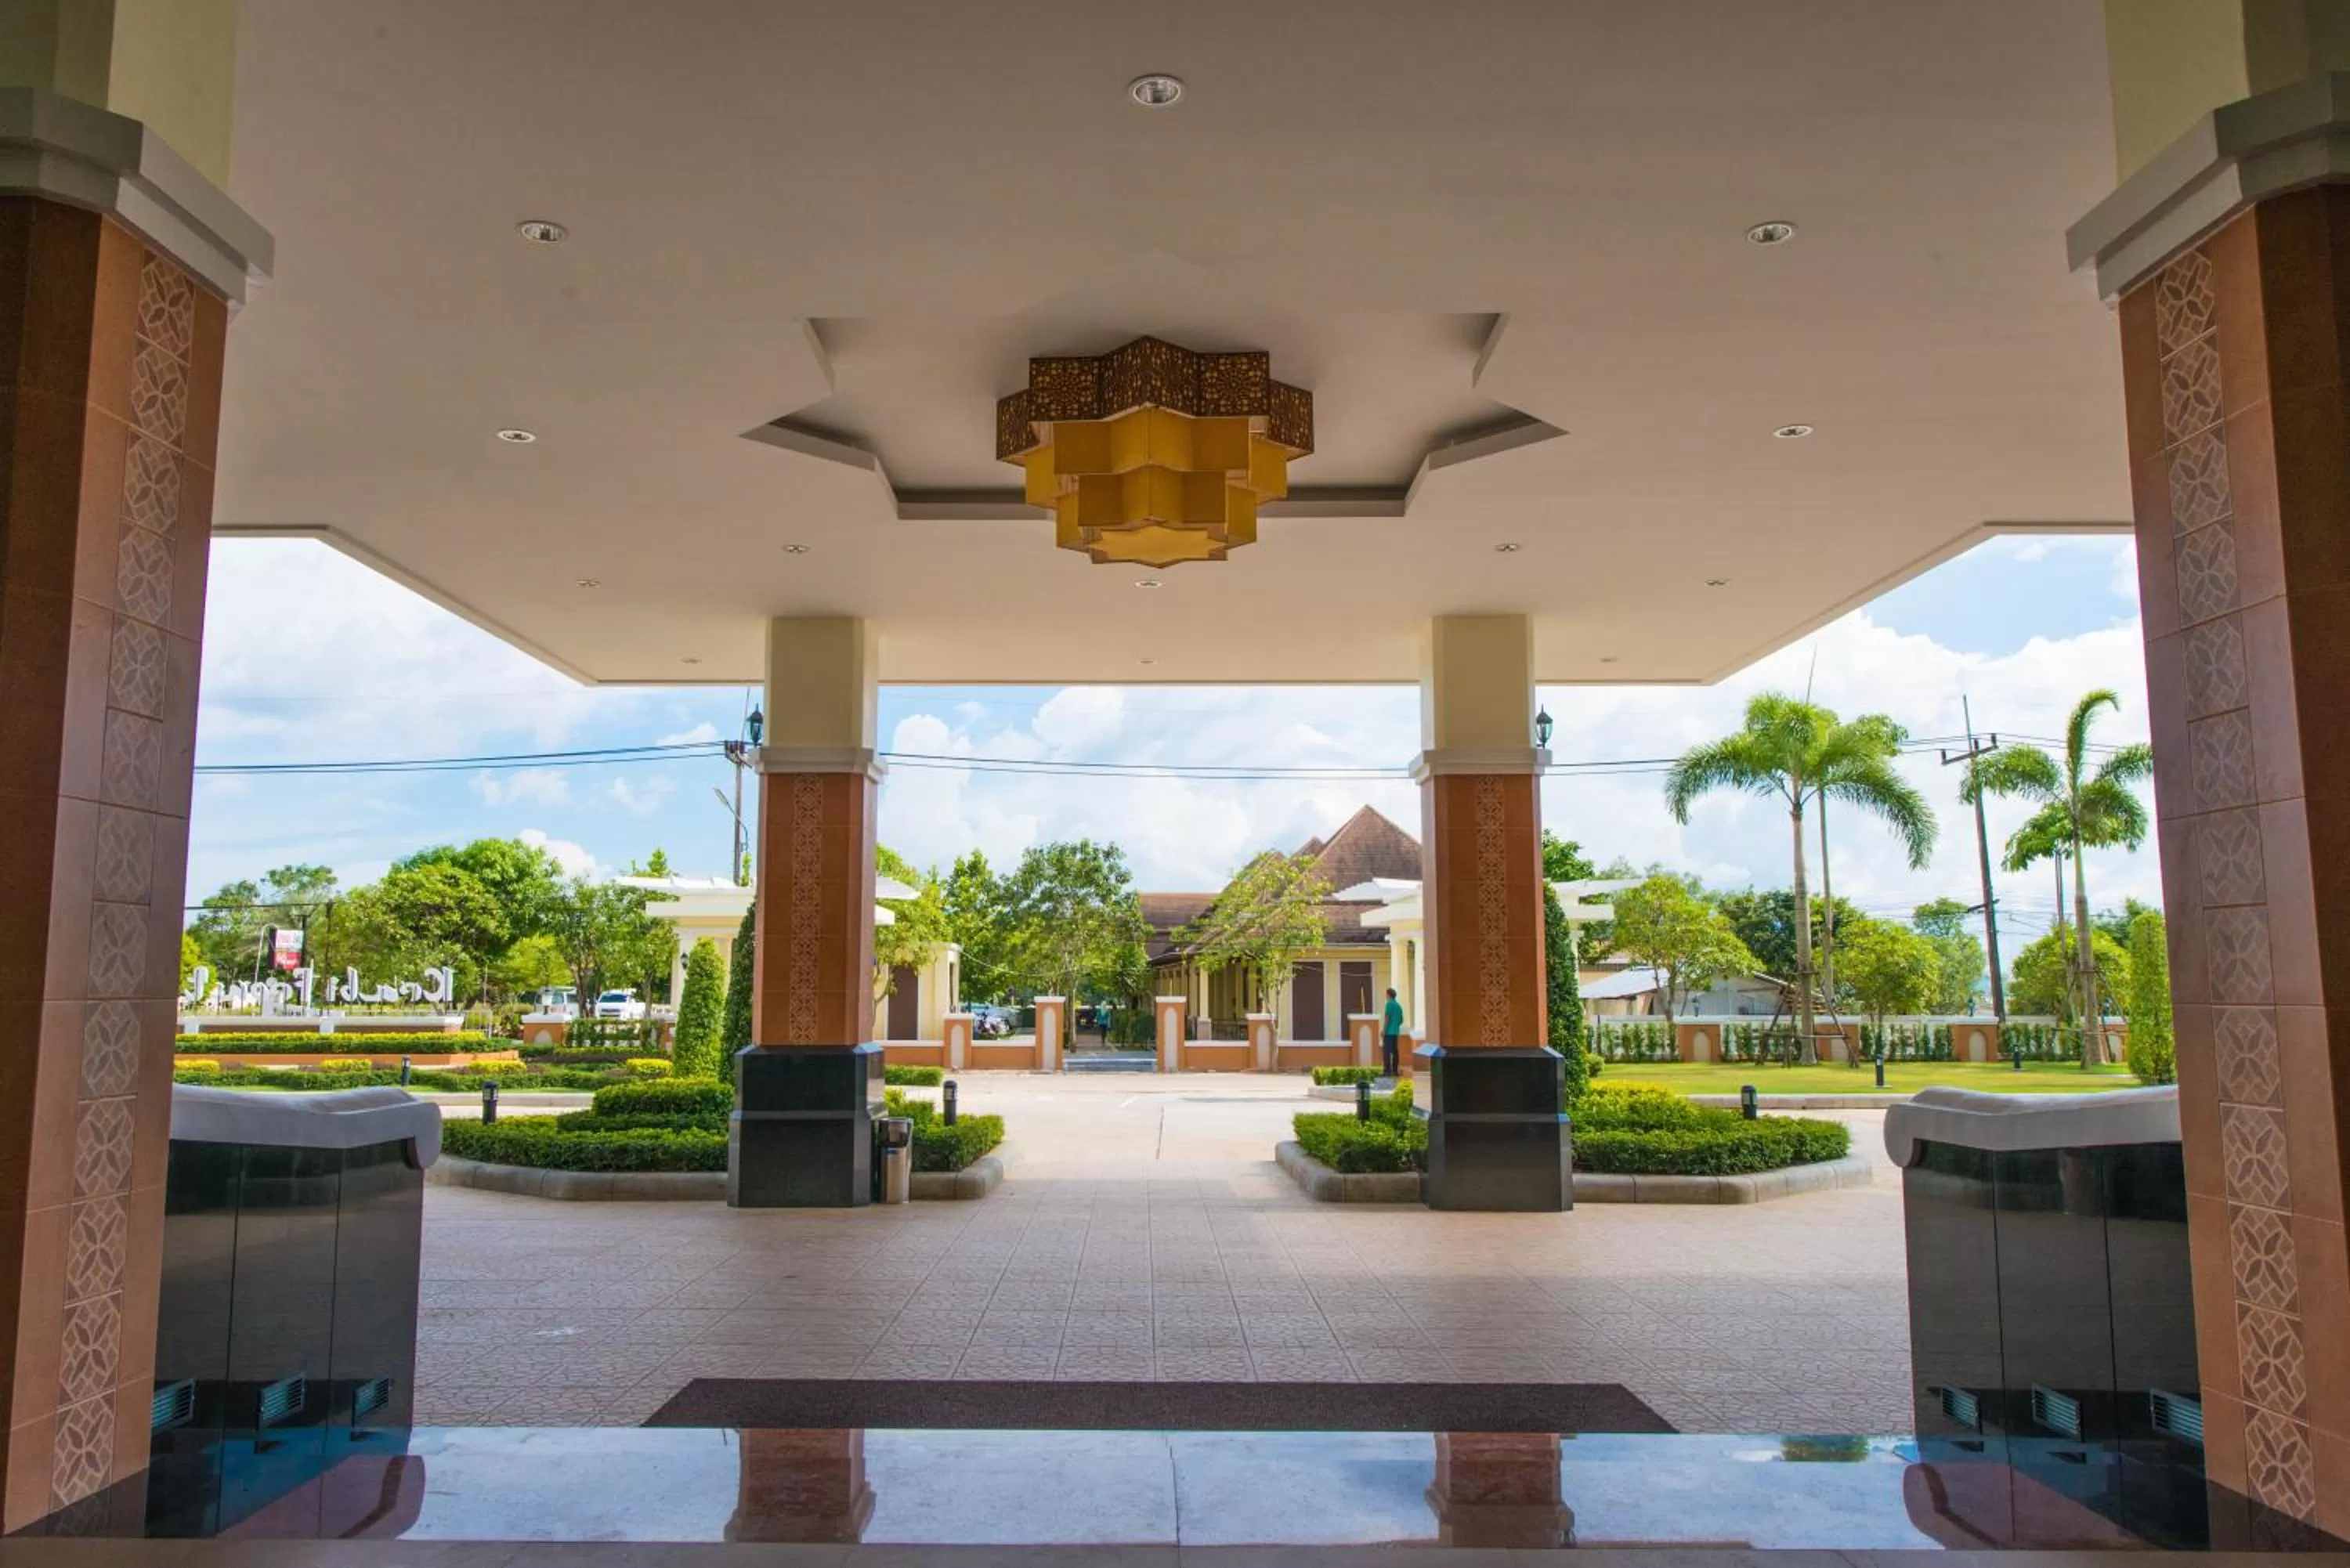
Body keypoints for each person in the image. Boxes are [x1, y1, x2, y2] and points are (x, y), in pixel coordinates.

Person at [1381, 986, 1405, 1078]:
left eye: (1386, 995)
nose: (1385, 997)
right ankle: (1395, 1071)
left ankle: (1387, 1071)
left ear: (1388, 995)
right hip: (1396, 1033)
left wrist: (1384, 1030)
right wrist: (1395, 1025)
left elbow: (1387, 1018)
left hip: (1389, 1033)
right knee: (1395, 1051)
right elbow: (1401, 1020)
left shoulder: (1389, 1004)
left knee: (1386, 1051)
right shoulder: (1399, 1006)